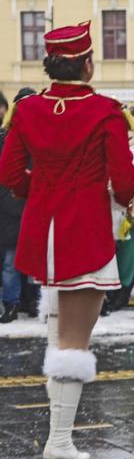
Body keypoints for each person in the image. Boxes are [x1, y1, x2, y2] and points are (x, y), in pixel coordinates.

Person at [0, 21, 134, 459]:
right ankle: (59, 440)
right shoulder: (105, 111)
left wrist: (37, 193)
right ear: (88, 63)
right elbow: (125, 182)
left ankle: (59, 436)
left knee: (58, 330)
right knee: (75, 340)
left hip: (43, 230)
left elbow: (10, 174)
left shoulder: (26, 110)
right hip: (86, 231)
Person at [0, 89, 36, 323]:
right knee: (11, 264)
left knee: (35, 265)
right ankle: (11, 304)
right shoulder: (5, 138)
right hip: (10, 210)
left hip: (35, 209)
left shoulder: (43, 137)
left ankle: (35, 302)